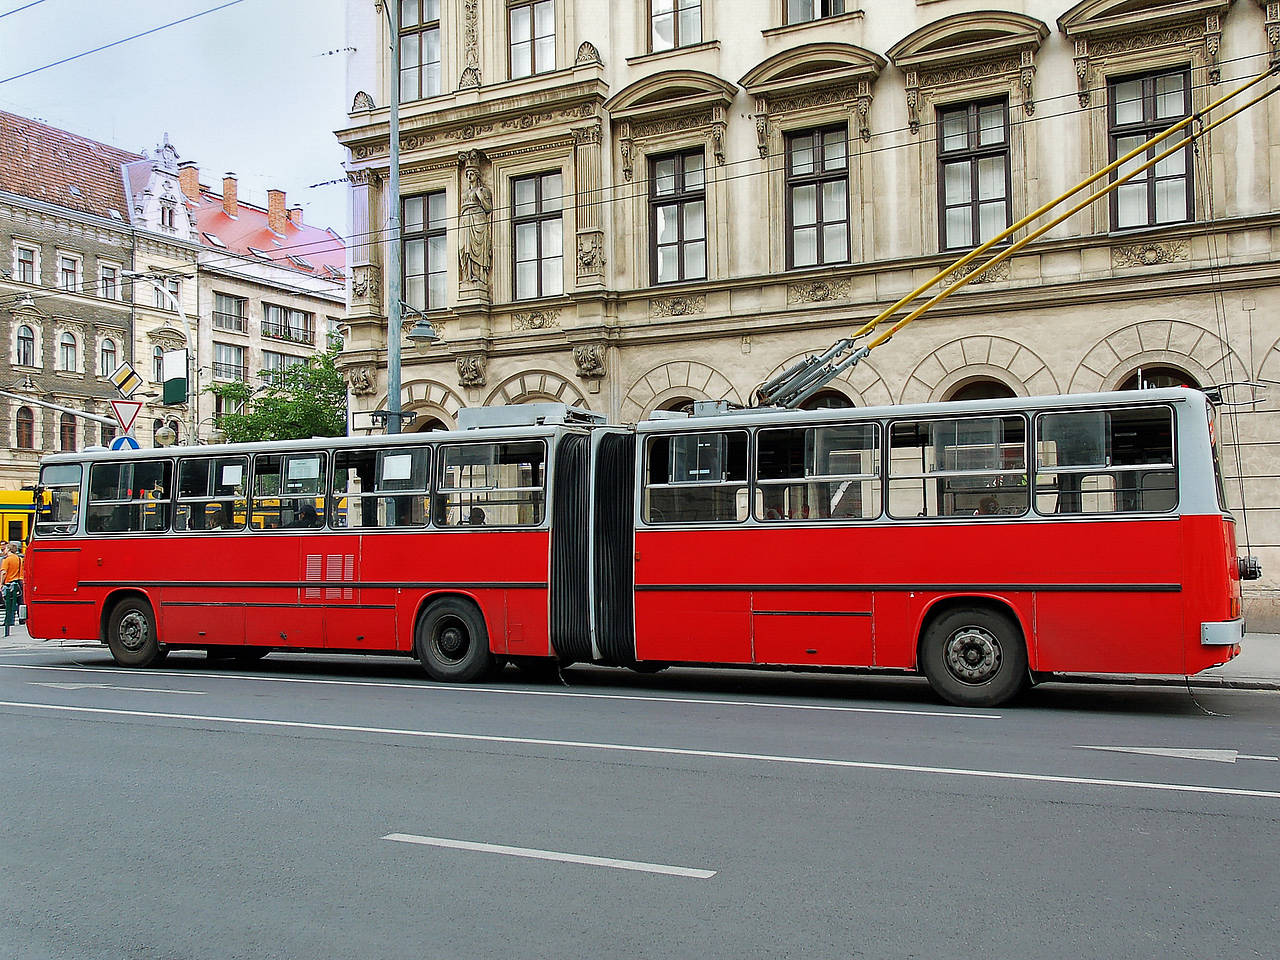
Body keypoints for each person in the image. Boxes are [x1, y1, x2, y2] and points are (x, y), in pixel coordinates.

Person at [1, 542, 21, 637]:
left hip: (8, 583)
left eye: (4, 549)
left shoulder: (7, 560)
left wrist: (1, 583)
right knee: (15, 603)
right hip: (17, 582)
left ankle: (8, 621)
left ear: (8, 549)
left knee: (8, 604)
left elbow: (4, 572)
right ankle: (15, 620)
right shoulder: (18, 558)